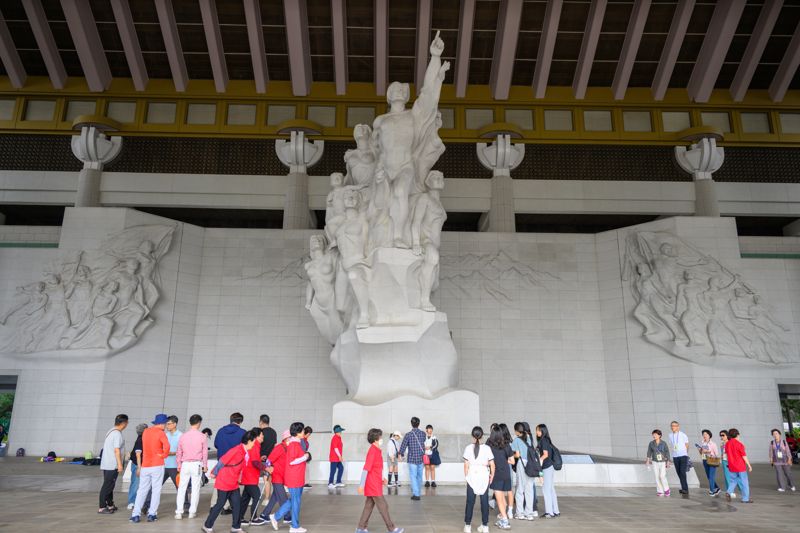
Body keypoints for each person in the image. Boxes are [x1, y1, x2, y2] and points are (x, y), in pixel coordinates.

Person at [203, 429, 260, 533]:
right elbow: (222, 461)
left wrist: (239, 478)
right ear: (249, 441)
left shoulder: (245, 452)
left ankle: (236, 527)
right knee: (220, 504)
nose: (254, 444)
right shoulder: (236, 450)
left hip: (233, 483)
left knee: (237, 504)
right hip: (224, 481)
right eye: (254, 441)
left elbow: (240, 467)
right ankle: (207, 525)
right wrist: (214, 472)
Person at [356, 428, 404, 533]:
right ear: (376, 439)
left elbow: (376, 468)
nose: (382, 439)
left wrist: (382, 479)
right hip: (372, 484)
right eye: (380, 437)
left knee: (369, 505)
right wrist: (361, 485)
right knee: (383, 506)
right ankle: (391, 529)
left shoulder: (377, 450)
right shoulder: (373, 451)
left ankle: (360, 528)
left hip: (375, 482)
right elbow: (366, 469)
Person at [270, 422, 311, 533]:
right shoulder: (293, 444)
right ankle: (294, 526)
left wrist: (304, 457)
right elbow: (292, 461)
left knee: (294, 500)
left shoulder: (296, 443)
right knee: (296, 501)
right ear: (297, 433)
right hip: (294, 477)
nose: (304, 432)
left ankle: (276, 517)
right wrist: (305, 457)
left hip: (297, 476)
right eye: (302, 431)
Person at [130, 413, 171, 523]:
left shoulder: (146, 432)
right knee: (156, 490)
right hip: (157, 464)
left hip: (145, 465)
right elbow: (167, 446)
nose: (166, 426)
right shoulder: (161, 433)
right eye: (166, 424)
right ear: (162, 424)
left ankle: (135, 515)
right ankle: (152, 514)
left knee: (142, 490)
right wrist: (163, 455)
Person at [175, 414, 208, 520]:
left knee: (181, 488)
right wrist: (205, 465)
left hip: (184, 464)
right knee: (195, 488)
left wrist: (179, 465)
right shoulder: (202, 436)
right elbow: (204, 453)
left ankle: (179, 512)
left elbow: (179, 452)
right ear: (199, 423)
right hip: (196, 464)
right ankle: (191, 512)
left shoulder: (183, 436)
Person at [463, 426, 495, 533]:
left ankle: (467, 526)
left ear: (472, 435)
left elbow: (466, 465)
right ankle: (485, 526)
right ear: (482, 436)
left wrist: (467, 477)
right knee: (484, 501)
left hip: (472, 475)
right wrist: (491, 476)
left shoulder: (468, 448)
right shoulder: (487, 448)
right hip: (483, 475)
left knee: (470, 502)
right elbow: (492, 464)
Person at [213, 412, 246, 512]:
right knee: (234, 486)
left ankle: (217, 506)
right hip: (236, 465)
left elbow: (216, 444)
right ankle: (234, 507)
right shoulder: (243, 432)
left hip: (222, 463)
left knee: (220, 486)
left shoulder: (221, 431)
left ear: (230, 420)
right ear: (240, 421)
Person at [260, 429, 291, 526]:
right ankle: (287, 516)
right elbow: (269, 460)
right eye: (291, 437)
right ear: (286, 438)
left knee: (275, 497)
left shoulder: (289, 448)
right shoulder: (279, 448)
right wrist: (267, 469)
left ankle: (264, 514)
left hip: (283, 476)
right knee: (283, 497)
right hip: (277, 476)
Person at [98, 414, 128, 514]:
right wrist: (119, 464)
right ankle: (102, 507)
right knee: (107, 486)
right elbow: (116, 450)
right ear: (123, 423)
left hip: (106, 463)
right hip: (112, 464)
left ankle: (110, 504)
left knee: (110, 485)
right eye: (127, 423)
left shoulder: (110, 431)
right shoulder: (117, 434)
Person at [487, 425, 513, 530]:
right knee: (502, 497)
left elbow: (486, 460)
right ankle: (502, 517)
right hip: (506, 474)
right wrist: (503, 460)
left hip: (496, 475)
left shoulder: (489, 447)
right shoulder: (507, 446)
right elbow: (512, 461)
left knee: (499, 498)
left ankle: (505, 521)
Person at [240, 428, 267, 526]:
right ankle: (254, 518)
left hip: (248, 475)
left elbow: (253, 459)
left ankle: (240, 518)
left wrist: (259, 459)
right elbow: (254, 462)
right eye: (261, 435)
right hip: (250, 476)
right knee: (256, 495)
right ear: (256, 437)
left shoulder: (254, 445)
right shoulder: (255, 445)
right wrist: (265, 468)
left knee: (245, 498)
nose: (263, 436)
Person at [511, 422, 537, 519]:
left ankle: (519, 513)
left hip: (522, 465)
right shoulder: (529, 438)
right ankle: (529, 513)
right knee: (529, 489)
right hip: (531, 464)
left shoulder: (517, 440)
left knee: (520, 489)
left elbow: (517, 455)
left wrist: (511, 455)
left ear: (517, 431)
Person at [398, 417, 427, 500]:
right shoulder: (423, 434)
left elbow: (403, 445)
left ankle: (416, 494)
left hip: (412, 458)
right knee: (419, 476)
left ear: (411, 424)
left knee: (413, 476)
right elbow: (424, 441)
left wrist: (400, 454)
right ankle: (417, 492)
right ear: (419, 424)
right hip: (421, 458)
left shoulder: (408, 435)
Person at [536, 424, 560, 519]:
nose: (536, 432)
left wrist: (539, 461)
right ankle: (555, 511)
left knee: (546, 490)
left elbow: (545, 454)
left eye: (538, 430)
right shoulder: (547, 440)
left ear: (542, 431)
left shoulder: (544, 441)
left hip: (546, 467)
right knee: (551, 489)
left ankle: (549, 512)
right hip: (550, 467)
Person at [724, 428, 753, 503]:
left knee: (733, 480)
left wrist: (729, 463)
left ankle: (729, 491)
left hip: (731, 466)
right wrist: (749, 465)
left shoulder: (727, 444)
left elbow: (727, 455)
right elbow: (744, 456)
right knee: (744, 482)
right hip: (740, 466)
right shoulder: (739, 444)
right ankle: (745, 499)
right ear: (737, 435)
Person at [645, 429, 671, 496]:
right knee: (656, 477)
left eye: (656, 434)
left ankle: (666, 489)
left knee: (662, 476)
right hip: (654, 461)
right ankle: (660, 491)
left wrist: (668, 461)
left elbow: (667, 452)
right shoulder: (651, 443)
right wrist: (648, 460)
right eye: (653, 434)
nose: (654, 435)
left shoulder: (664, 443)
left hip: (662, 462)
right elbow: (649, 452)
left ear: (660, 435)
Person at [127, 423, 147, 510]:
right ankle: (132, 502)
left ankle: (138, 501)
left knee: (140, 484)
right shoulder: (140, 440)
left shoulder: (142, 439)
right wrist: (139, 467)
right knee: (135, 483)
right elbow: (138, 454)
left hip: (141, 464)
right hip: (137, 465)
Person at [769, 428, 795, 492]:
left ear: (779, 434)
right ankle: (782, 487)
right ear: (772, 435)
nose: (775, 435)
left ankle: (791, 485)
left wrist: (789, 459)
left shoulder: (784, 442)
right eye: (774, 434)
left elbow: (788, 451)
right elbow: (770, 452)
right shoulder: (772, 443)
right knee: (779, 474)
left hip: (785, 460)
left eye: (776, 433)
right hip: (776, 461)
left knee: (788, 473)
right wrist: (771, 459)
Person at [668, 420, 690, 494]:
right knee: (678, 472)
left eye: (674, 426)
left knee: (682, 472)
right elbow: (672, 444)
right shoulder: (670, 435)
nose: (672, 427)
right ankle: (683, 487)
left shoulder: (683, 435)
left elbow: (687, 444)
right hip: (675, 456)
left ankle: (685, 489)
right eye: (671, 426)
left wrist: (685, 453)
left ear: (678, 427)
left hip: (683, 455)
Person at [697, 429, 721, 496]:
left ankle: (712, 491)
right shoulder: (702, 443)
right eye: (703, 434)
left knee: (711, 476)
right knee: (709, 476)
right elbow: (701, 453)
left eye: (706, 434)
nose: (704, 436)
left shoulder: (713, 444)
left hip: (712, 460)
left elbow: (716, 454)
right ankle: (717, 488)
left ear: (709, 435)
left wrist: (708, 452)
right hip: (705, 460)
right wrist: (700, 450)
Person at [163, 415, 182, 489]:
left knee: (179, 486)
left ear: (175, 424)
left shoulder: (181, 436)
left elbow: (183, 451)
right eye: (166, 424)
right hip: (164, 465)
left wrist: (173, 453)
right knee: (155, 486)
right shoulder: (165, 435)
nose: (167, 426)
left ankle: (185, 501)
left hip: (175, 466)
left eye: (169, 424)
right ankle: (148, 500)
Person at [328, 424, 346, 488]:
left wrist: (339, 456)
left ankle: (338, 482)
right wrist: (340, 456)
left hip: (337, 458)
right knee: (333, 470)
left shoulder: (338, 438)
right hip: (334, 457)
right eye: (340, 431)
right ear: (337, 431)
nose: (341, 432)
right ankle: (330, 483)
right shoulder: (335, 438)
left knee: (341, 468)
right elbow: (335, 448)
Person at [719, 430, 734, 495]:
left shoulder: (730, 442)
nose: (722, 437)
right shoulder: (722, 443)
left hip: (730, 461)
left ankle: (730, 491)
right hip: (724, 461)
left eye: (723, 435)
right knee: (727, 476)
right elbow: (722, 453)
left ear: (727, 435)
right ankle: (729, 491)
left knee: (734, 477)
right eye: (721, 435)